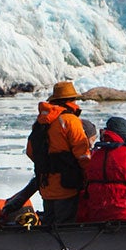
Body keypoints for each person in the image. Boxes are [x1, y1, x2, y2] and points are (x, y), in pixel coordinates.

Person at [24, 80, 90, 224]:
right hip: (67, 186)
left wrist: (47, 164)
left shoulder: (41, 122)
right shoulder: (70, 120)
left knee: (49, 228)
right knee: (66, 228)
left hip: (46, 186)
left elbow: (30, 151)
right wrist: (88, 176)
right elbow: (83, 154)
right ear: (71, 100)